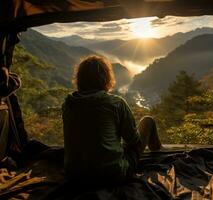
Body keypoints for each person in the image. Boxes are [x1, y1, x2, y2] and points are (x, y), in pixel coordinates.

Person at [62, 55, 162, 184]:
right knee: (148, 121)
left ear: (79, 79)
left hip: (74, 175)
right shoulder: (115, 103)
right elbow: (133, 140)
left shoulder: (68, 104)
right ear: (106, 78)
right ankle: (158, 153)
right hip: (110, 175)